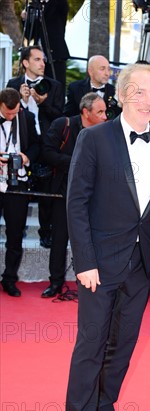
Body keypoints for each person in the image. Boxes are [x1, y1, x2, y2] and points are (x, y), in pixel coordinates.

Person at [63, 63, 150, 411]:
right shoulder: (93, 138)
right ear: (123, 93)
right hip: (99, 264)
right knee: (91, 344)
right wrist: (84, 261)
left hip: (142, 264)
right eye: (140, 92)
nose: (147, 101)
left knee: (123, 344)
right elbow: (76, 204)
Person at [41, 93, 107, 299]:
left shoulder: (106, 133)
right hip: (64, 195)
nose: (106, 116)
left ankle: (88, 282)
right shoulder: (64, 124)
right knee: (60, 239)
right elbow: (47, 152)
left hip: (96, 197)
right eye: (100, 112)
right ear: (86, 112)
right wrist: (78, 162)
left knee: (92, 241)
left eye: (105, 111)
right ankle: (55, 283)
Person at [7, 45, 65, 249]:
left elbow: (59, 117)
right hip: (23, 144)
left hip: (47, 144)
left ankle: (45, 231)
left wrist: (42, 103)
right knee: (19, 188)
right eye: (38, 59)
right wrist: (22, 103)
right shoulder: (13, 84)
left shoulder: (54, 85)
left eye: (43, 60)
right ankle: (17, 227)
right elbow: (9, 114)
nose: (43, 64)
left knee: (47, 189)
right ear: (25, 63)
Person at [0, 88, 40, 297]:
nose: (12, 116)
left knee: (15, 234)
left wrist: (26, 157)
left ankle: (9, 279)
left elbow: (36, 145)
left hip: (17, 183)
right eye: (7, 113)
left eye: (15, 112)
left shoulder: (26, 118)